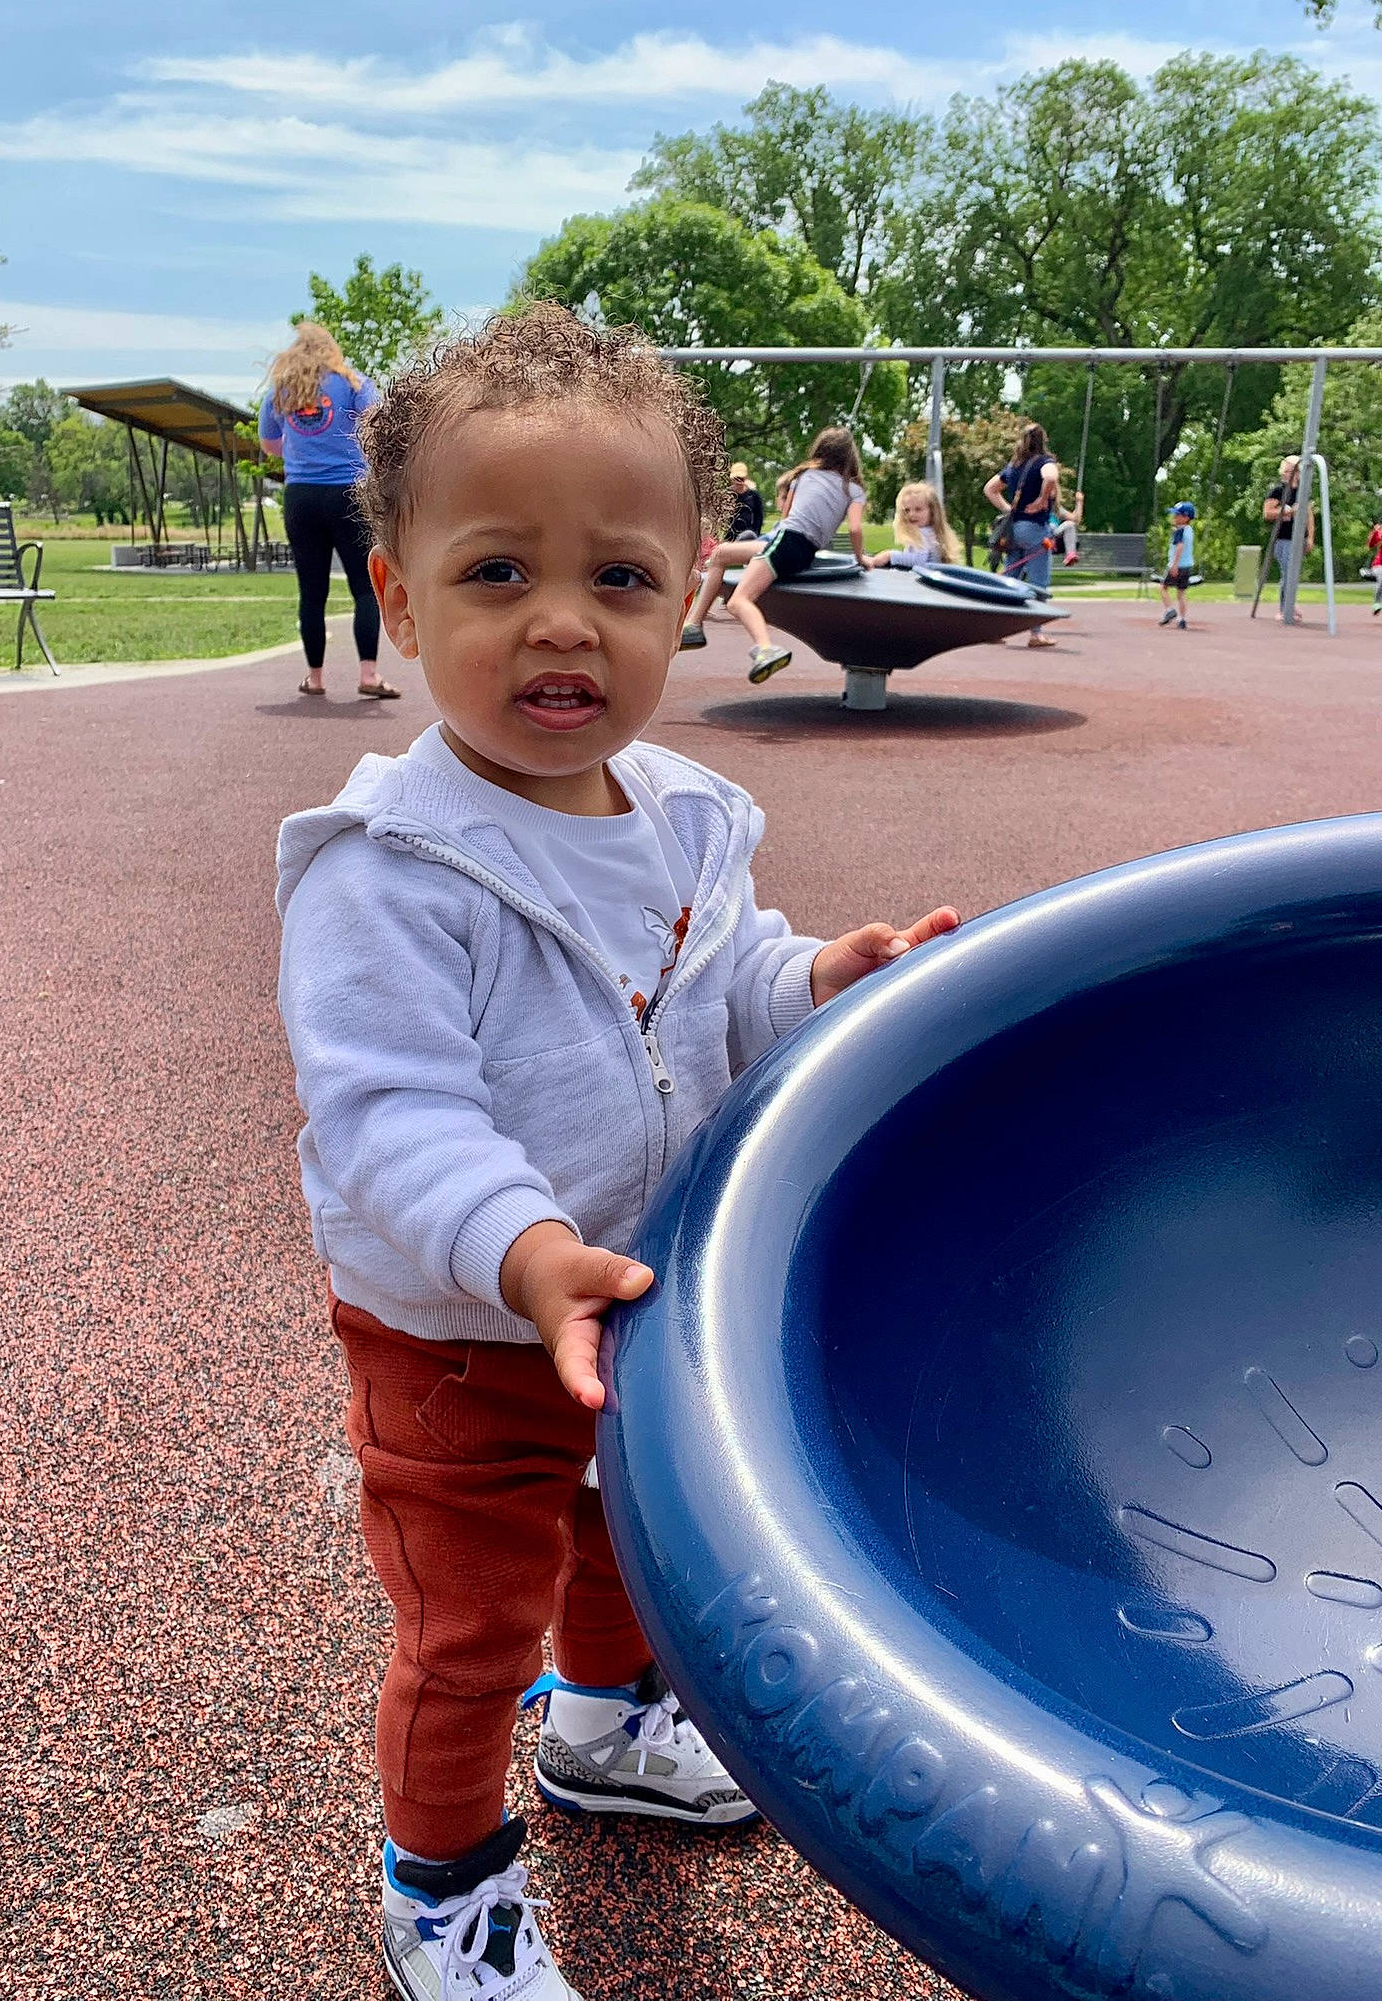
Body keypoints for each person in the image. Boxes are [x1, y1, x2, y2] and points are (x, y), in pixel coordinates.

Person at [275, 304, 959, 2001]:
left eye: (622, 578)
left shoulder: (686, 812)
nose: (563, 620)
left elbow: (718, 982)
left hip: (642, 1284)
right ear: (400, 594)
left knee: (625, 1539)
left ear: (693, 591)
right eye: (499, 572)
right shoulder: (386, 871)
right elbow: (388, 1114)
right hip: (460, 1332)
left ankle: (604, 1729)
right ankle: (440, 1888)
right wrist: (521, 1250)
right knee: (467, 1622)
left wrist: (815, 982)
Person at [259, 320, 399, 700]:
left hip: (301, 496)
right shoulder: (354, 383)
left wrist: (300, 443)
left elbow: (270, 445)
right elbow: (374, 430)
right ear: (331, 349)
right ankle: (369, 675)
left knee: (312, 589)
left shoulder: (281, 391)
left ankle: (315, 678)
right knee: (365, 587)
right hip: (348, 493)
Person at [681, 427, 869, 681]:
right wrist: (861, 557)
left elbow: (787, 519)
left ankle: (767, 649)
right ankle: (694, 626)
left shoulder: (804, 476)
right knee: (720, 554)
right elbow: (856, 528)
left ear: (820, 450)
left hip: (786, 540)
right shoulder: (854, 489)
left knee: (739, 601)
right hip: (803, 549)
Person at [984, 423, 1061, 644]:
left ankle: (996, 631)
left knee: (1010, 580)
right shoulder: (1044, 463)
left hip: (1014, 530)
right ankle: (1036, 633)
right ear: (1043, 441)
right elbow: (1051, 477)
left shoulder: (1015, 465)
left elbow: (990, 488)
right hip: (1035, 529)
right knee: (1038, 582)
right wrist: (1041, 500)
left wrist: (1008, 509)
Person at [864, 479, 959, 568]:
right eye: (907, 510)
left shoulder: (923, 533)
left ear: (932, 511)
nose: (912, 514)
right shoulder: (933, 532)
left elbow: (919, 560)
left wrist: (889, 555)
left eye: (918, 509)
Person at [1262, 455, 1315, 618]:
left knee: (1293, 573)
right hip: (1283, 538)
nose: (1290, 474)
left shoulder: (1303, 491)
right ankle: (1284, 607)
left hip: (1298, 538)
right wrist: (1289, 511)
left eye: (1294, 470)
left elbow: (1309, 515)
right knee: (1288, 572)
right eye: (1287, 470)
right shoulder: (1278, 491)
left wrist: (1311, 537)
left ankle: (1290, 604)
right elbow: (1267, 513)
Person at [1158, 501, 1197, 629]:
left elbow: (1180, 546)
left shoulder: (1179, 531)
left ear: (1185, 517)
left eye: (1177, 515)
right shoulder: (1190, 530)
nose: (1174, 518)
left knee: (1163, 587)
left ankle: (1170, 610)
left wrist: (1174, 564)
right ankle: (1182, 619)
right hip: (1187, 566)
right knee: (1181, 592)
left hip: (1177, 566)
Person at [724, 461, 764, 539]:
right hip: (731, 534)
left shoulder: (753, 495)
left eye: (741, 479)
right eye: (736, 478)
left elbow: (759, 517)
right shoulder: (728, 494)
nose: (739, 482)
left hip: (748, 533)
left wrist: (756, 533)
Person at [1368, 517, 1382, 615]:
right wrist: (1376, 531)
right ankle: (1377, 603)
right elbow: (1371, 544)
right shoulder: (1380, 532)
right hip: (1379, 565)